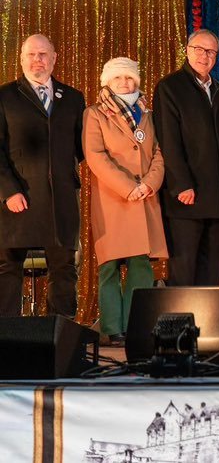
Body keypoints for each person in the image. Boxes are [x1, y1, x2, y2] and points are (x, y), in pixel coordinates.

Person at [83, 58, 168, 345]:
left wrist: (149, 183)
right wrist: (127, 187)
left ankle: (135, 325)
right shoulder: (94, 114)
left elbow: (159, 153)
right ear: (107, 81)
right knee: (109, 266)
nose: (124, 83)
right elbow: (95, 156)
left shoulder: (148, 113)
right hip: (113, 199)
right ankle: (112, 327)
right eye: (118, 78)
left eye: (129, 78)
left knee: (140, 264)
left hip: (144, 197)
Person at [0, 34, 85, 317]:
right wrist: (8, 191)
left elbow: (81, 147)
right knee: (8, 269)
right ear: (22, 59)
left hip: (60, 200)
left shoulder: (73, 97)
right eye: (32, 55)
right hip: (18, 198)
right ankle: (7, 340)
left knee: (63, 269)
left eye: (44, 54)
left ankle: (59, 342)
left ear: (54, 58)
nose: (38, 60)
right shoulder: (4, 96)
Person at [153, 29, 219, 286]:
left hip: (216, 197)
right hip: (186, 197)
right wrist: (181, 184)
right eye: (199, 49)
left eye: (210, 51)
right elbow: (169, 141)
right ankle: (181, 326)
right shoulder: (170, 87)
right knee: (184, 270)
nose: (204, 56)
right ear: (187, 51)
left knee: (211, 272)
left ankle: (209, 326)